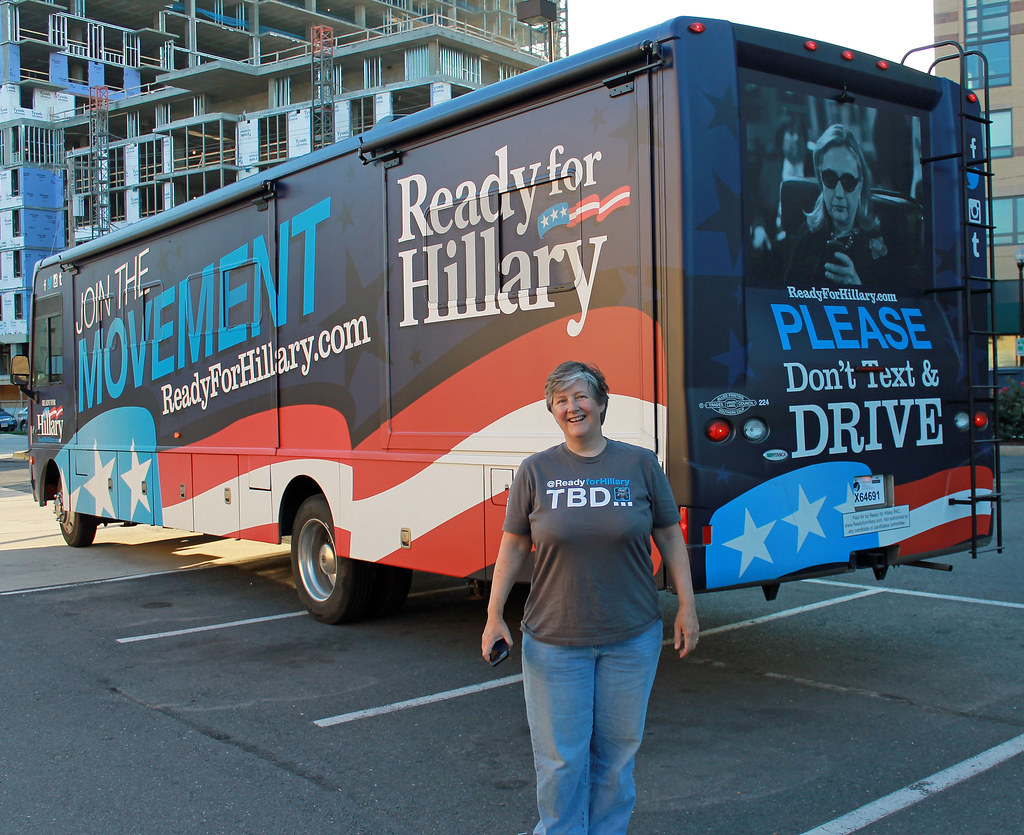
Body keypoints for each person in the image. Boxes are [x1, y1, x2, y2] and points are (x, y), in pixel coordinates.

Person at [481, 361, 699, 835]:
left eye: (581, 397)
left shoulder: (640, 464)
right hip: (555, 642)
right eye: (561, 400)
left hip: (632, 638)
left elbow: (669, 535)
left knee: (617, 760)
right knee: (561, 763)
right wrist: (494, 613)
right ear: (552, 411)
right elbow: (514, 545)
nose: (572, 407)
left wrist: (687, 605)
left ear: (601, 403)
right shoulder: (536, 470)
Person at [783, 123, 890, 286]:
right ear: (820, 180)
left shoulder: (880, 243)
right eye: (830, 179)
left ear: (860, 183)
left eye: (848, 182)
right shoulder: (805, 235)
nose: (839, 194)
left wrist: (857, 288)